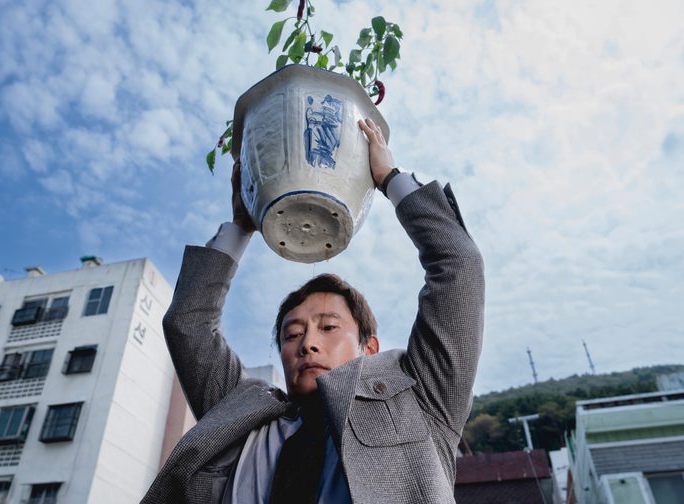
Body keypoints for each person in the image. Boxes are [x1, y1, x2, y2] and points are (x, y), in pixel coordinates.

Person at [141, 118, 485, 504]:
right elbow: (188, 324)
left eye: (328, 327)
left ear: (368, 348)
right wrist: (241, 224)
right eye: (292, 334)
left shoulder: (423, 397)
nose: (307, 344)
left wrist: (389, 178)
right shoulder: (238, 413)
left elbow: (459, 266)